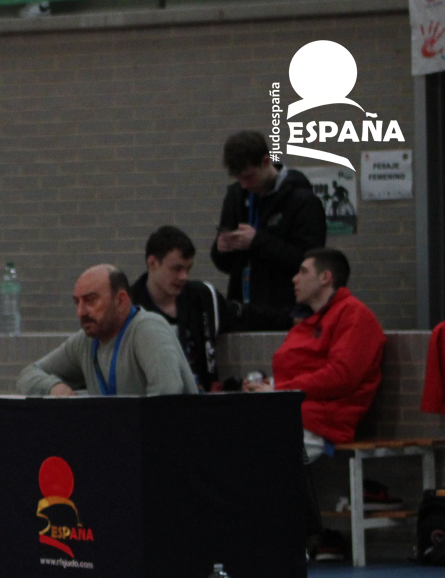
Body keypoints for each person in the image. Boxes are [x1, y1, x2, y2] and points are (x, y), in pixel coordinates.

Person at [243, 248, 385, 455]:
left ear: (325, 277)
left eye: (303, 272)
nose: (294, 279)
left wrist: (278, 391)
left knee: (249, 455)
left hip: (320, 423)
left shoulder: (354, 315)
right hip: (289, 410)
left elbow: (341, 376)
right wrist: (266, 386)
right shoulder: (308, 322)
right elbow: (295, 374)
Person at [18, 265, 198, 396]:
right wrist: (53, 387)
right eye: (77, 302)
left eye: (90, 301)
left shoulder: (148, 329)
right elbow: (27, 375)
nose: (80, 312)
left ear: (121, 301)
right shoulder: (85, 341)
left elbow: (167, 394)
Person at [210, 131, 326, 330]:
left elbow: (309, 261)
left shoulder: (302, 200)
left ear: (266, 162)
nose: (244, 185)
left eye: (249, 177)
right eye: (239, 179)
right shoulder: (237, 196)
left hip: (285, 310)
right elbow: (227, 265)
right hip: (246, 310)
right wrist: (221, 248)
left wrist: (257, 241)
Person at [131, 226, 228, 391]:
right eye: (176, 269)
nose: (184, 277)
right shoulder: (130, 309)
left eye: (188, 269)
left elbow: (247, 316)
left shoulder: (202, 297)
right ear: (152, 263)